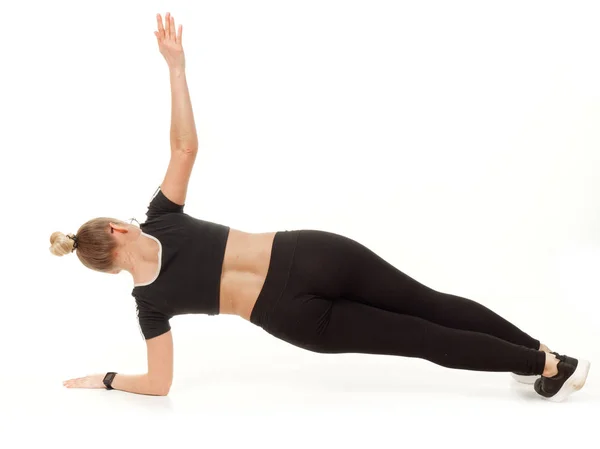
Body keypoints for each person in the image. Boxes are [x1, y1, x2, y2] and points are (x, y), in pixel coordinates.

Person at [52, 12, 590, 401]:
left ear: (107, 266)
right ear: (119, 229)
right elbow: (185, 146)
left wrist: (106, 379)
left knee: (422, 339)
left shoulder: (149, 305)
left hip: (296, 316)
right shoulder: (161, 217)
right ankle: (543, 355)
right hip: (309, 254)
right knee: (433, 304)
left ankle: (549, 365)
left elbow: (159, 385)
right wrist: (176, 69)